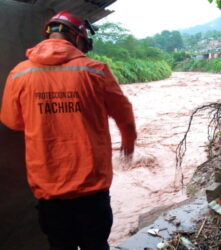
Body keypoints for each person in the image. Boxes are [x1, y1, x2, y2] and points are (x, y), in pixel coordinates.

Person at [0, 11, 137, 250]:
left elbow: (13, 122)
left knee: (60, 245)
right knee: (95, 244)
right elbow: (123, 114)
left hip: (48, 188)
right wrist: (128, 140)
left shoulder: (19, 73)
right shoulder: (95, 70)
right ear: (77, 37)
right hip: (92, 186)